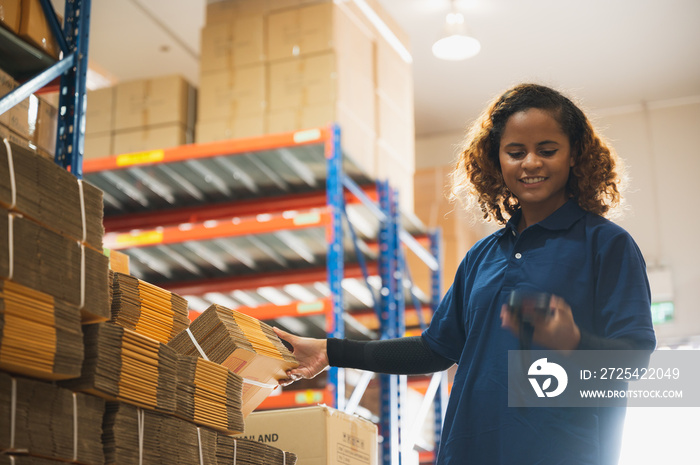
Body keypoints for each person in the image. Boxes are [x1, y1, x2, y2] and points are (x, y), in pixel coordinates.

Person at [273, 83, 656, 465]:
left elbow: (636, 360)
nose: (531, 163)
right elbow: (434, 349)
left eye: (548, 150)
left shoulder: (606, 245)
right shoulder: (482, 257)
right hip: (468, 451)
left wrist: (572, 339)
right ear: (498, 161)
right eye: (516, 152)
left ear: (574, 155)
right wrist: (331, 351)